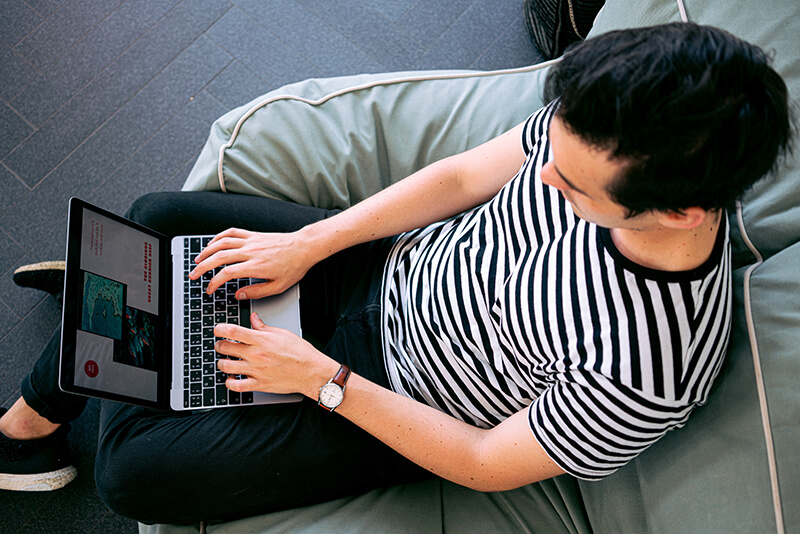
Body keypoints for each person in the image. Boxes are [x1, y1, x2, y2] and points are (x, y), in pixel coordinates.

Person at [0, 22, 792, 524]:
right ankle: (92, 357)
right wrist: (312, 243)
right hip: (387, 267)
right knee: (164, 216)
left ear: (681, 212)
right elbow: (456, 181)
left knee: (132, 476)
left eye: (572, 187)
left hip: (390, 395)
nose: (543, 175)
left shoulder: (644, 373)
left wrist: (320, 379)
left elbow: (483, 465)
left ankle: (63, 381)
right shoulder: (602, 122)